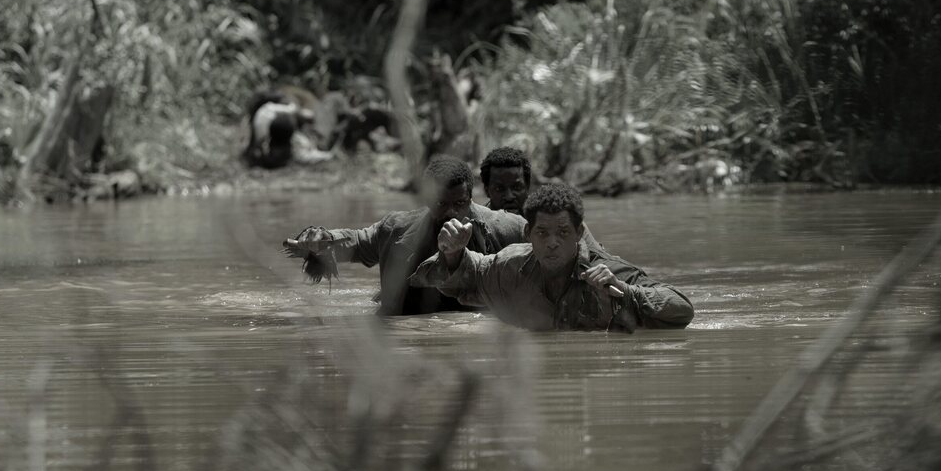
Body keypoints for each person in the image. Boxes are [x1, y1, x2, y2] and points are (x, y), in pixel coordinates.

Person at [409, 182, 693, 331]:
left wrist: (628, 294)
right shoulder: (510, 266)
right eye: (542, 233)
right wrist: (452, 252)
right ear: (528, 232)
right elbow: (465, 276)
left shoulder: (606, 271)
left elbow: (682, 308)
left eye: (563, 232)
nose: (553, 243)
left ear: (579, 232)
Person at [283, 158, 526, 315]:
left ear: (471, 198)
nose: (451, 212)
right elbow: (355, 240)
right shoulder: (396, 228)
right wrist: (321, 239)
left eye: (460, 203)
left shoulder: (509, 229)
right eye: (440, 203)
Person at [479, 146, 532, 215]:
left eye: (516, 188)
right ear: (487, 191)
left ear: (527, 187)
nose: (509, 197)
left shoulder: (541, 220)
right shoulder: (476, 223)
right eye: (499, 189)